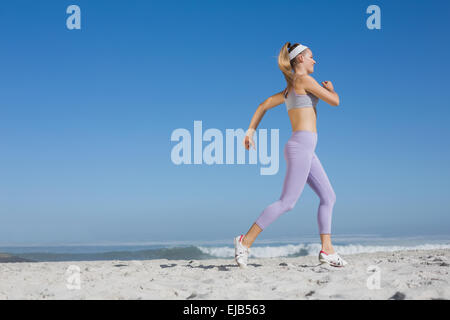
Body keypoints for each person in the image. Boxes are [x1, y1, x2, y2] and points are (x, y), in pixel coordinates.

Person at [234, 42, 348, 268]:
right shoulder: (304, 80)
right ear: (300, 60)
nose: (314, 60)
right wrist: (332, 88)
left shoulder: (289, 88)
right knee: (287, 202)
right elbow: (335, 101)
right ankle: (244, 241)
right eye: (311, 56)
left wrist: (250, 131)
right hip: (300, 147)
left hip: (304, 147)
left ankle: (327, 250)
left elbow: (264, 104)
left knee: (328, 197)